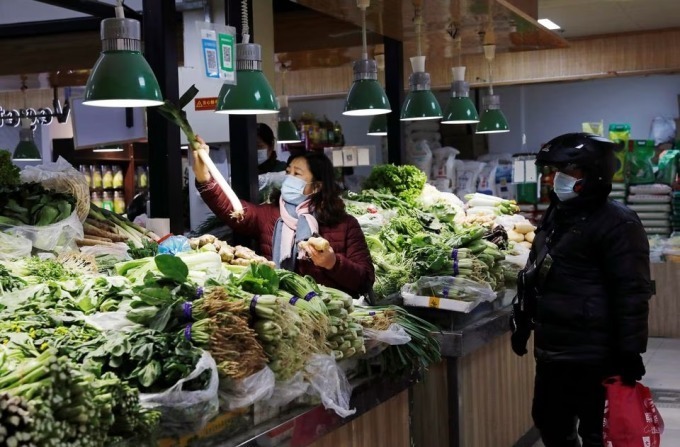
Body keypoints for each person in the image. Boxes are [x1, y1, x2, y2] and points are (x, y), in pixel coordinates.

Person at [510, 133, 654, 447]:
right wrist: (522, 319)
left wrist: (630, 351)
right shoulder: (557, 214)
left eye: (564, 170)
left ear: (593, 173)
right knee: (549, 424)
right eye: (549, 170)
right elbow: (537, 269)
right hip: (553, 351)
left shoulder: (618, 223)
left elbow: (632, 292)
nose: (551, 178)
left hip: (595, 354)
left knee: (596, 434)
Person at [192, 143, 374, 297]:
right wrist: (204, 178)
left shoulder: (345, 224)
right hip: (281, 312)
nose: (289, 179)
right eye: (288, 172)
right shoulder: (270, 215)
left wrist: (332, 262)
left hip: (332, 314)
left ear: (317, 186)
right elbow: (232, 208)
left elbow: (365, 280)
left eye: (297, 174)